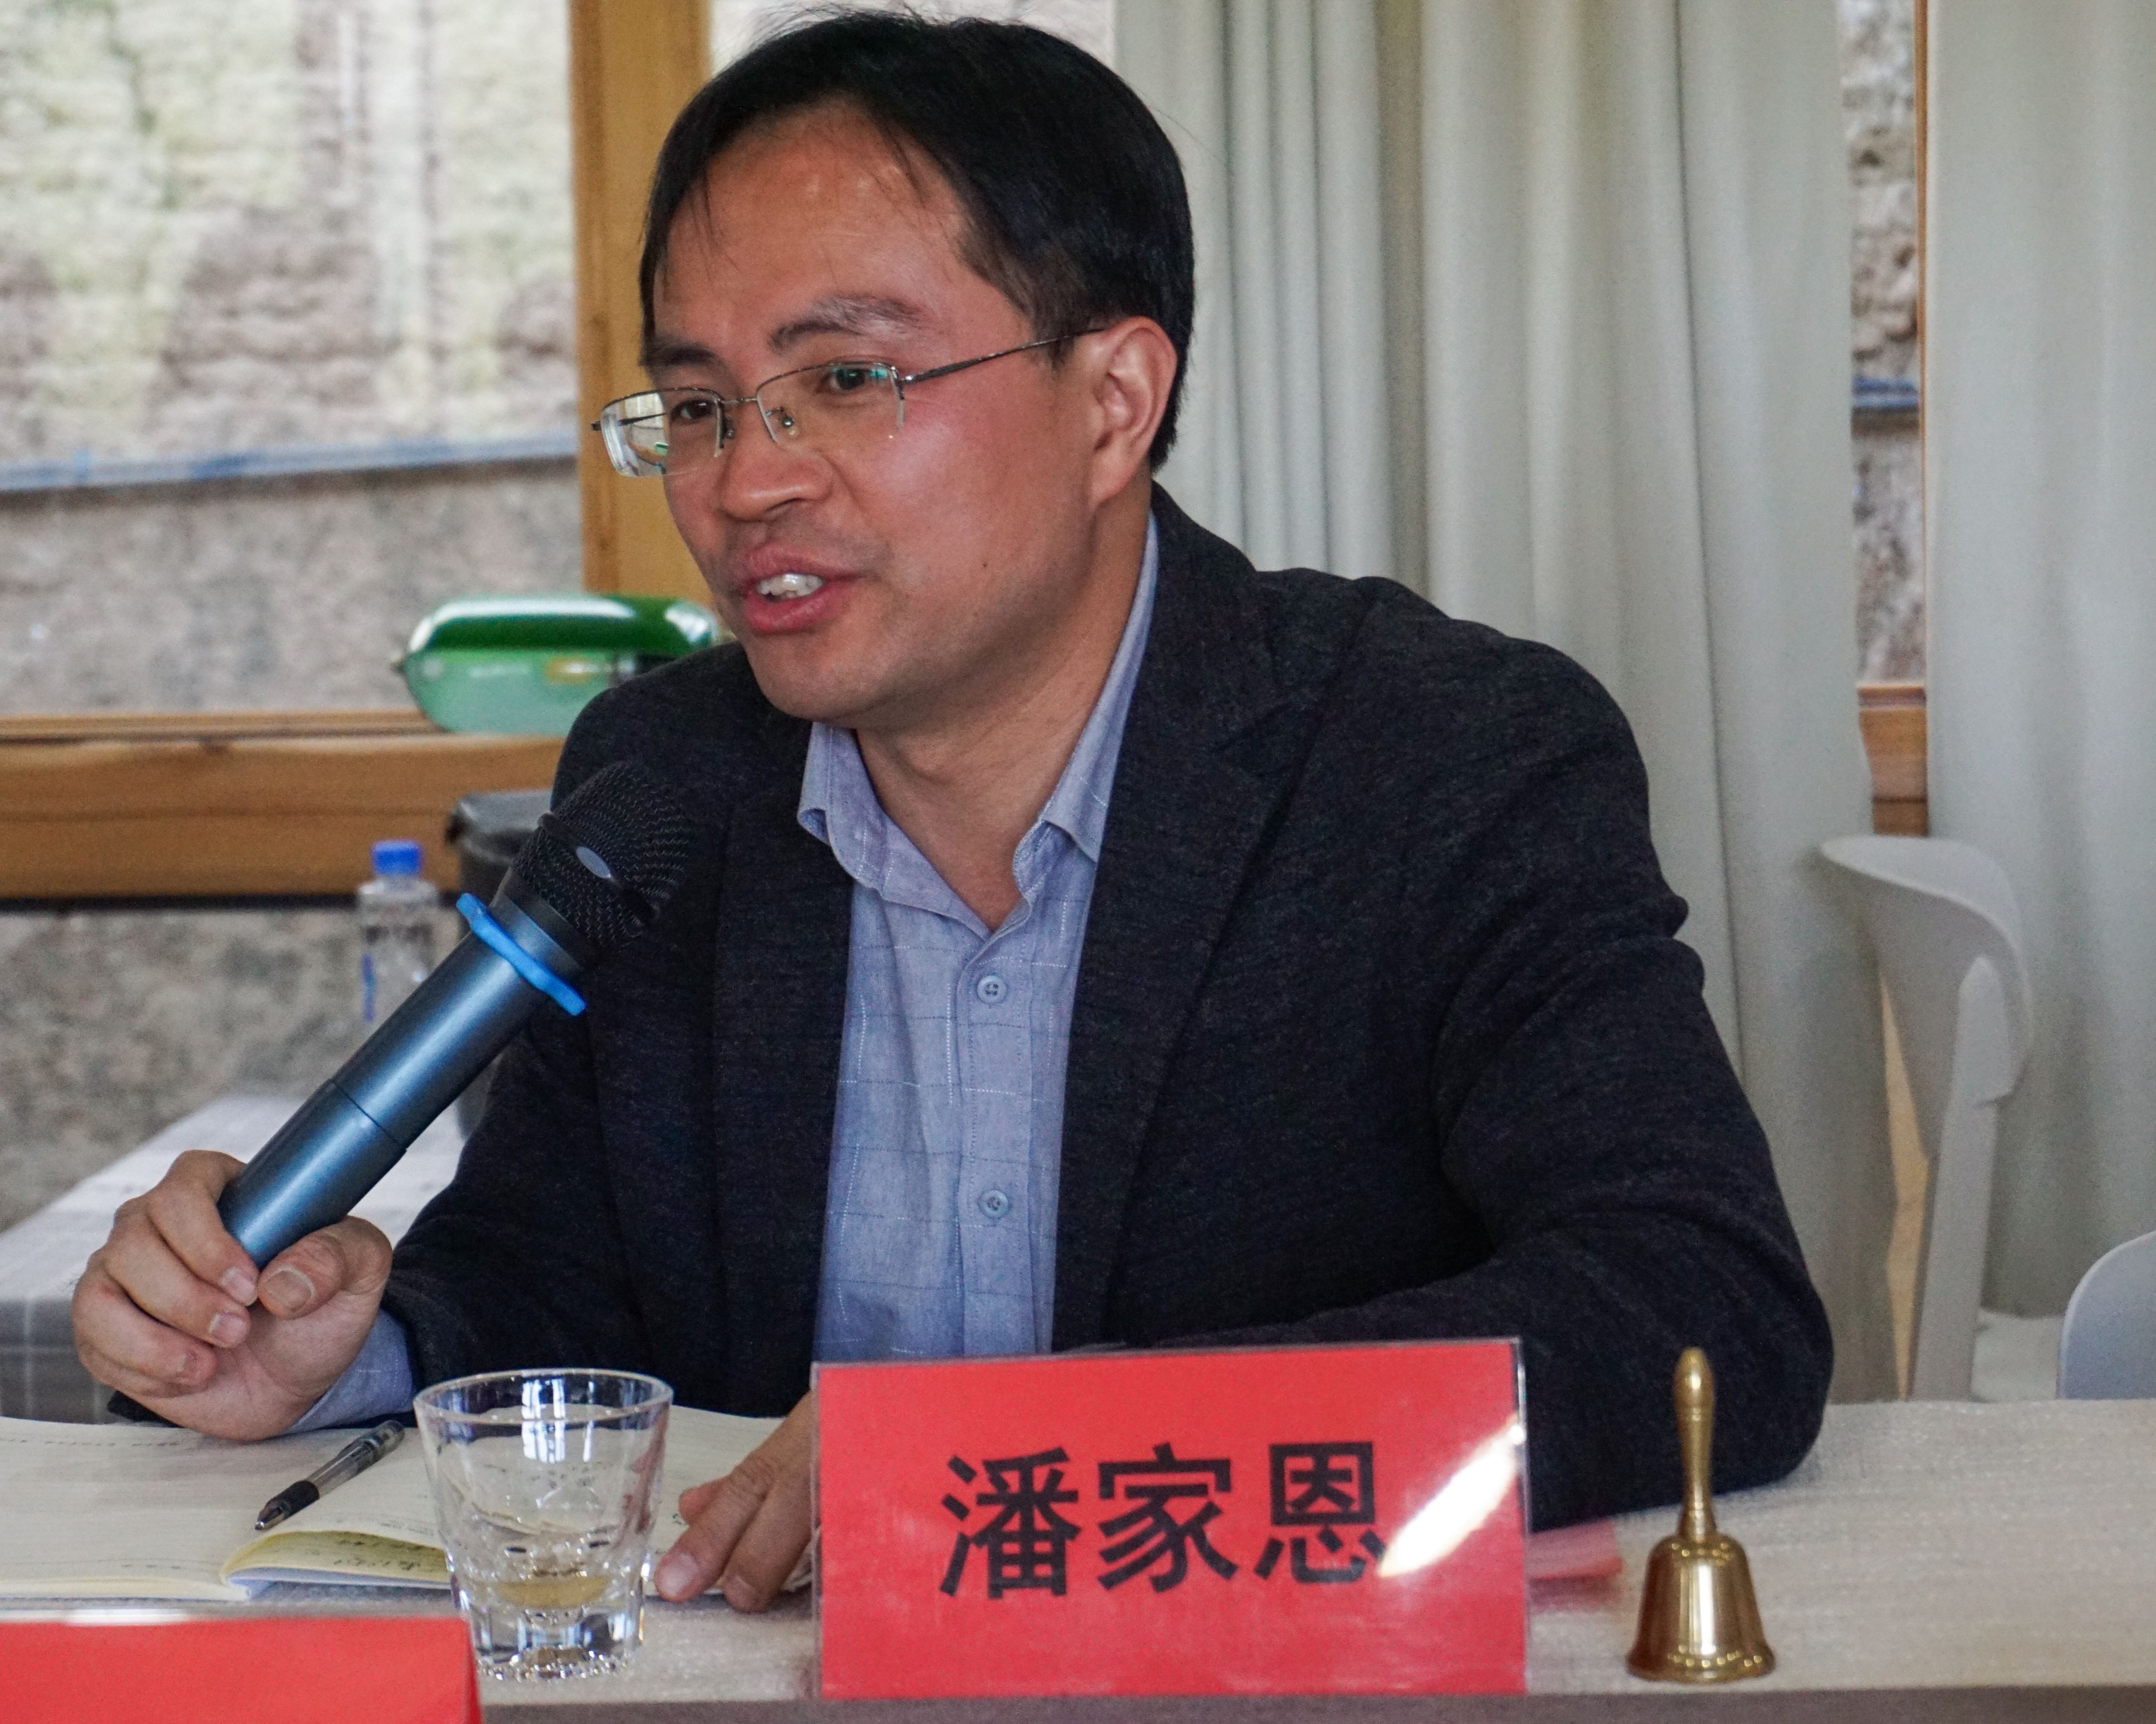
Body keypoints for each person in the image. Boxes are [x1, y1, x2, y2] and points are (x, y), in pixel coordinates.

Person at [72, 12, 1831, 1615]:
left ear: (1113, 403)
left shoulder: (1439, 757)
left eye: (845, 379)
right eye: (698, 406)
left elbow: (1696, 1312)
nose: (747, 481)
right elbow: (545, 1279)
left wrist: (1019, 1453)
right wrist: (348, 1350)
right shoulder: (668, 780)